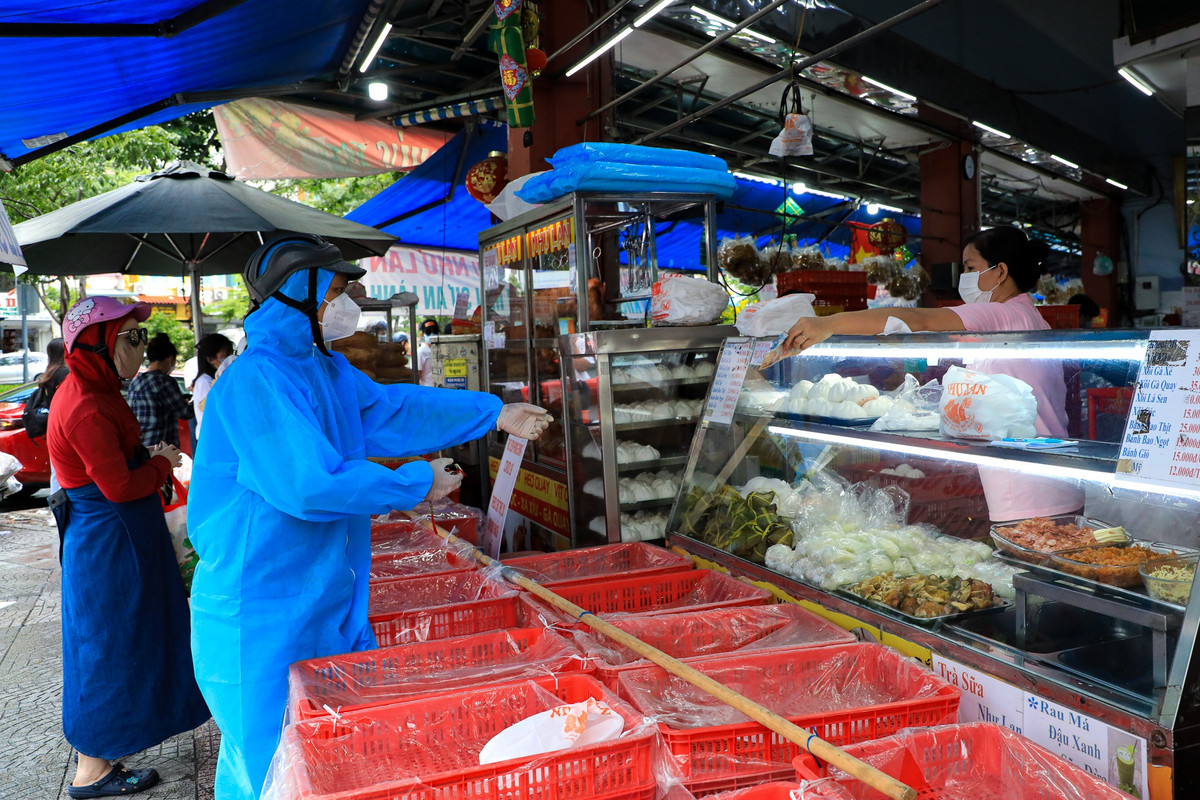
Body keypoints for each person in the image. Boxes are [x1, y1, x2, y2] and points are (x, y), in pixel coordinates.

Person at [186, 235, 551, 800]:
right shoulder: (255, 380)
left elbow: (392, 409)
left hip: (324, 597)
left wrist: (492, 413)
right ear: (299, 292)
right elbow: (308, 485)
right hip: (257, 610)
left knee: (324, 759)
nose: (346, 303)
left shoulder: (322, 369)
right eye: (336, 290)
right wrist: (414, 484)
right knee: (270, 770)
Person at [784, 225, 1081, 521]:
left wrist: (829, 323)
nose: (964, 276)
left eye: (970, 267)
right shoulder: (1029, 316)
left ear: (1000, 272)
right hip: (1050, 474)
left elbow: (918, 318)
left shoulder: (1000, 313)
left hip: (1026, 489)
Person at [46, 297, 210, 798]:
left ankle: (108, 750)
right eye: (132, 338)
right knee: (107, 646)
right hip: (108, 543)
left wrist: (149, 459)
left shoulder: (99, 390)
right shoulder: (86, 404)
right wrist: (161, 464)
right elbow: (118, 486)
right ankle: (91, 771)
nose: (142, 347)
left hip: (119, 535)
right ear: (97, 345)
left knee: (129, 639)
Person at [127, 332, 195, 450]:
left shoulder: (136, 381)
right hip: (160, 448)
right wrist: (202, 400)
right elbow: (185, 413)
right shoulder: (164, 381)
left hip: (139, 447)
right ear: (170, 359)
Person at [191, 333, 234, 440]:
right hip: (211, 436)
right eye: (226, 354)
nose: (230, 358)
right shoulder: (206, 382)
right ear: (210, 359)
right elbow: (213, 409)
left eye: (232, 353)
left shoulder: (210, 379)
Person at [417, 317, 438, 386]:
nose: (432, 334)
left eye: (435, 331)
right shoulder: (421, 352)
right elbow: (417, 375)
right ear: (423, 335)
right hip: (427, 389)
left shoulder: (442, 350)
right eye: (428, 332)